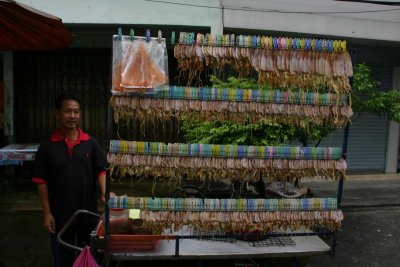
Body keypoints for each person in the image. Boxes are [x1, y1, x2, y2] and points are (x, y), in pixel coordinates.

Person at [32, 93, 112, 267]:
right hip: (60, 216)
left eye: (76, 111)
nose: (72, 116)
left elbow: (101, 170)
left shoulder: (90, 142)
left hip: (88, 214)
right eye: (68, 111)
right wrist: (47, 213)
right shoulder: (47, 147)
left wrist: (105, 191)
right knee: (63, 259)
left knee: (90, 258)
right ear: (57, 114)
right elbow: (41, 181)